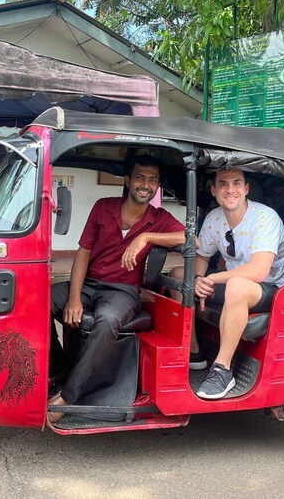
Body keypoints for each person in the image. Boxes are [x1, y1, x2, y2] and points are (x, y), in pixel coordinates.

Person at [47, 155, 185, 422]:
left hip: (123, 292)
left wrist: (147, 236)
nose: (146, 184)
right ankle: (58, 365)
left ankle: (68, 396)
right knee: (39, 301)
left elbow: (193, 240)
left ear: (157, 187)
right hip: (88, 284)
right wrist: (74, 297)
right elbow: (83, 253)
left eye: (152, 180)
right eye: (140, 178)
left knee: (108, 320)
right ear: (128, 181)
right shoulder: (103, 207)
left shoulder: (159, 218)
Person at [171, 167, 284, 399]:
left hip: (272, 288)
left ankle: (223, 370)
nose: (230, 189)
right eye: (223, 184)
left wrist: (213, 278)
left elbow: (259, 270)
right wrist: (197, 280)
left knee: (235, 284)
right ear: (214, 190)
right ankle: (194, 353)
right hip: (237, 282)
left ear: (246, 189)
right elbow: (203, 256)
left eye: (237, 183)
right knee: (179, 274)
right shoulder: (215, 218)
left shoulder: (265, 218)